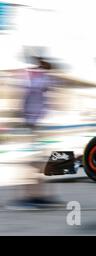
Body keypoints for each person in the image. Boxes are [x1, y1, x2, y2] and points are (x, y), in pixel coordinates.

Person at [8, 57, 60, 209]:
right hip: (31, 125)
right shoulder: (33, 80)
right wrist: (23, 121)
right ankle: (30, 197)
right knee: (34, 162)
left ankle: (37, 196)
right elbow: (20, 101)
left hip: (36, 124)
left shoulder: (40, 79)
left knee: (39, 162)